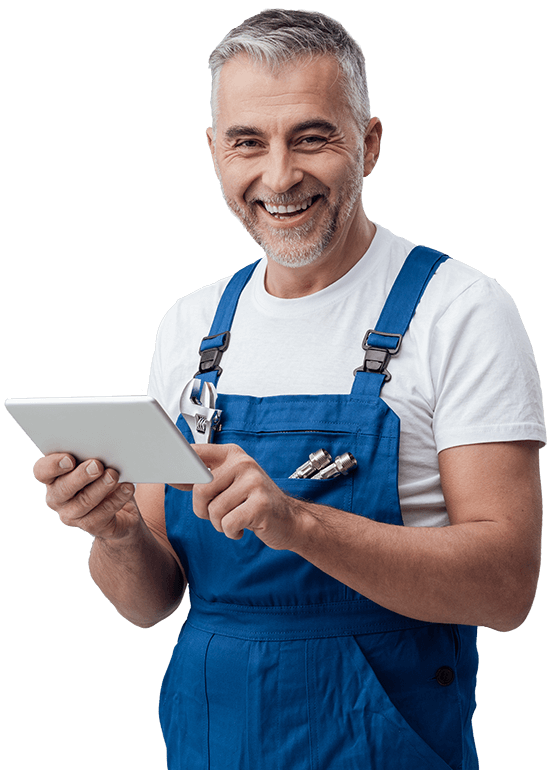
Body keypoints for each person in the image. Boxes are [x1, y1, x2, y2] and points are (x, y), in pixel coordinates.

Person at [33, 9, 545, 769]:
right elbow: (150, 602)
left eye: (312, 137)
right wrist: (113, 533)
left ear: (369, 144)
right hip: (209, 741)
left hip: (381, 747)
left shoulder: (461, 311)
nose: (278, 177)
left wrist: (298, 523)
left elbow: (506, 589)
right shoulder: (191, 327)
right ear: (214, 154)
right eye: (248, 142)